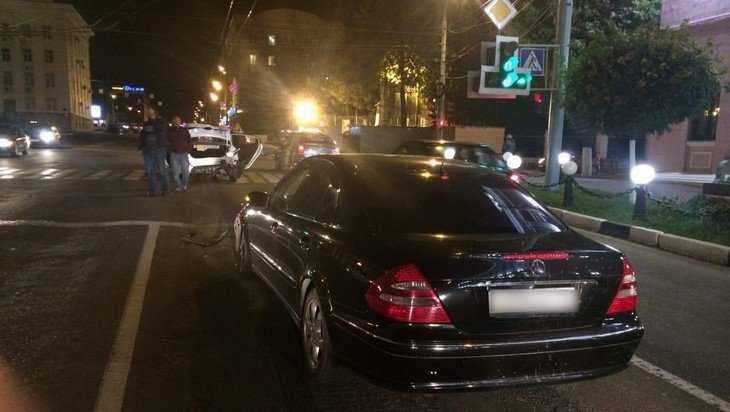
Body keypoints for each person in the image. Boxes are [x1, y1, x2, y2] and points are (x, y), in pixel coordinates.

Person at [138, 108, 169, 196]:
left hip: (159, 150)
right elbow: (143, 135)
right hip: (148, 151)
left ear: (155, 113)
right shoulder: (146, 123)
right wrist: (141, 146)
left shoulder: (161, 121)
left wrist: (154, 121)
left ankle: (165, 189)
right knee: (150, 172)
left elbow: (161, 130)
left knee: (162, 171)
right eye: (148, 112)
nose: (148, 113)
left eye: (150, 112)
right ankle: (152, 191)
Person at [167, 115, 192, 191]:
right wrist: (170, 150)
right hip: (174, 154)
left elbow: (189, 140)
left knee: (186, 171)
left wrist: (188, 150)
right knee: (175, 173)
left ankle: (184, 184)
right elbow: (166, 141)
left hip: (184, 153)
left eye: (178, 121)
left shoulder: (184, 130)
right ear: (172, 122)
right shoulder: (169, 131)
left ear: (180, 122)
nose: (176, 122)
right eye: (175, 121)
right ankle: (179, 186)